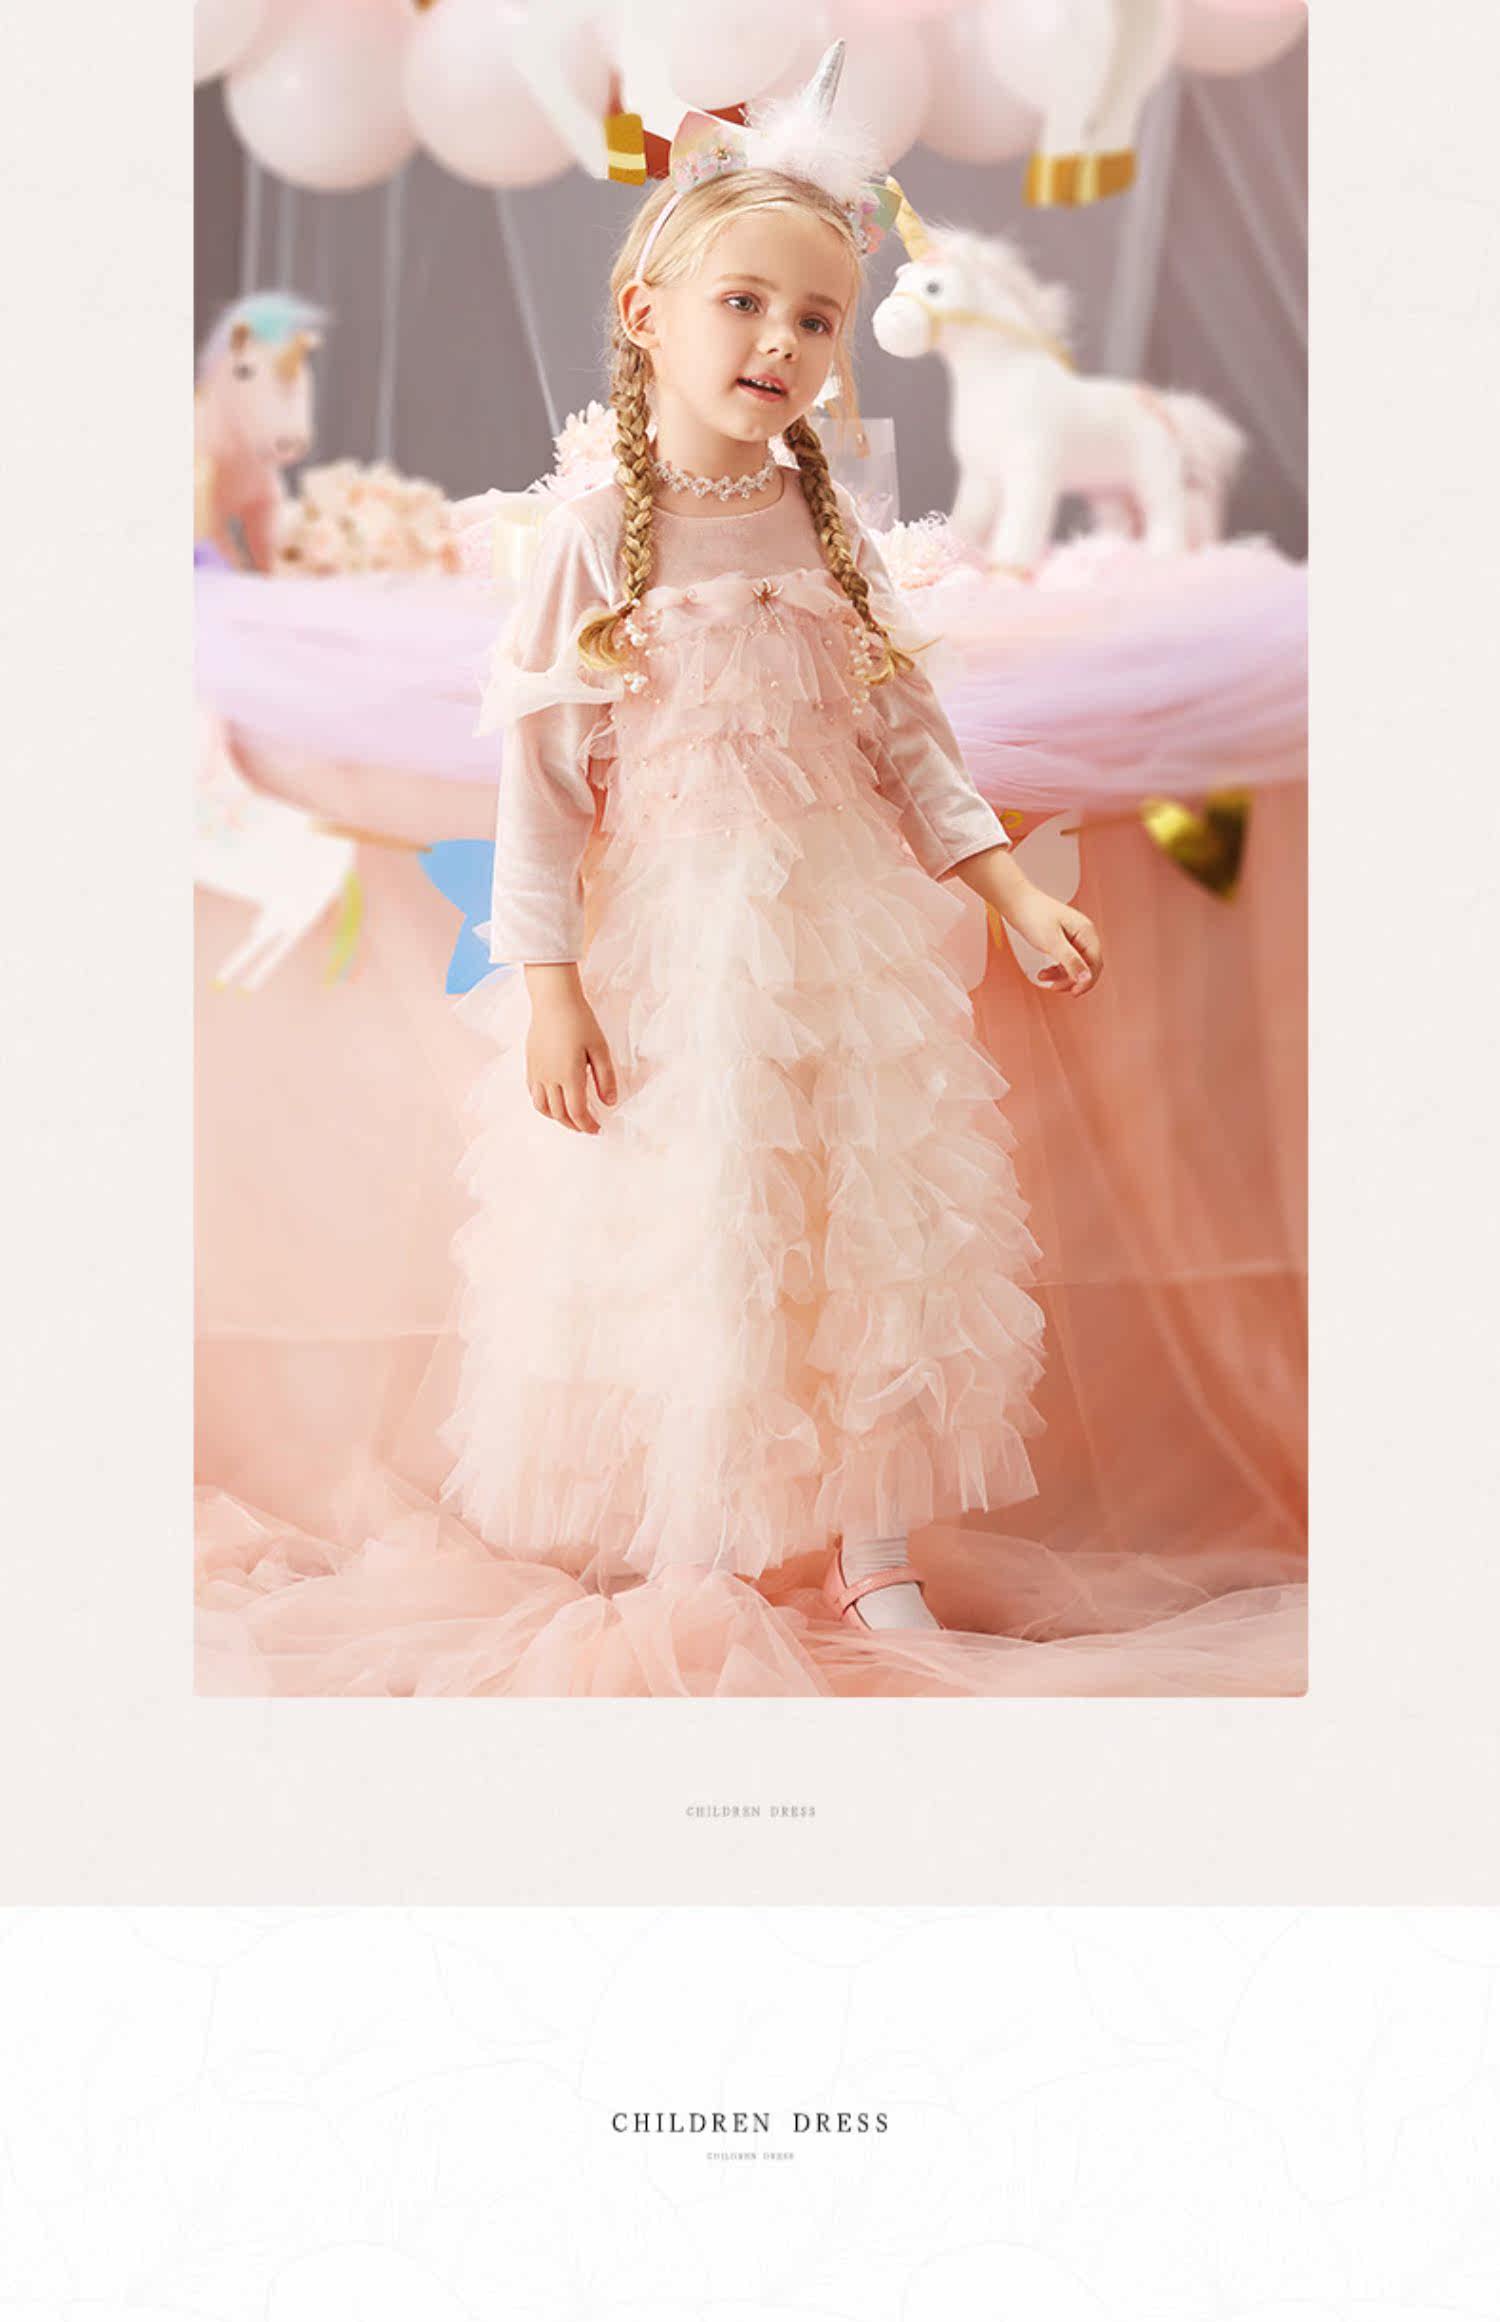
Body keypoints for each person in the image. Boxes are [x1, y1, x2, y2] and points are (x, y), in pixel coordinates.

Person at [441, 46, 1102, 1635]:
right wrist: (549, 984)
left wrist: (1007, 886)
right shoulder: (593, 539)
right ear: (647, 312)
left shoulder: (826, 524)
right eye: (743, 303)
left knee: (867, 1223)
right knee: (705, 1218)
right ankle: (709, 1530)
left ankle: (875, 1542)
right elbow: (541, 783)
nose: (780, 343)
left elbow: (908, 734)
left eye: (814, 319)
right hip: (677, 942)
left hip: (841, 930)